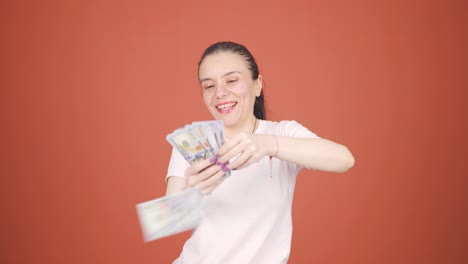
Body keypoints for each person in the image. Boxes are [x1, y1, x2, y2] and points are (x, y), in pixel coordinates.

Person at [165, 41, 354, 264]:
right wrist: (192, 191)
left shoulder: (281, 132)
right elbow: (168, 221)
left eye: (232, 80)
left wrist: (268, 144)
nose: (220, 93)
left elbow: (344, 159)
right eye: (209, 86)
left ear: (257, 85)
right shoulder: (194, 141)